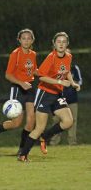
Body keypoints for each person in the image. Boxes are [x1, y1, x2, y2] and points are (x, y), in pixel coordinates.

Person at [18, 32, 80, 162]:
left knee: (68, 121)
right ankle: (23, 154)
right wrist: (60, 82)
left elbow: (66, 70)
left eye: (64, 41)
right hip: (45, 94)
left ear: (67, 44)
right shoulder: (51, 58)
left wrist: (73, 83)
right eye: (59, 42)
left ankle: (44, 137)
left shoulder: (68, 56)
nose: (61, 44)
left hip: (57, 94)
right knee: (39, 127)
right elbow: (42, 76)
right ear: (54, 44)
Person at [0, 28, 38, 154]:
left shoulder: (33, 54)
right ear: (19, 40)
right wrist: (21, 83)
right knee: (16, 123)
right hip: (18, 88)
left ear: (32, 40)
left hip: (29, 88)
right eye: (24, 38)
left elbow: (33, 70)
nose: (26, 40)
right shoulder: (15, 54)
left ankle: (23, 150)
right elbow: (8, 75)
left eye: (29, 38)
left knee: (31, 121)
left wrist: (47, 74)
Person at [50, 48, 83, 146]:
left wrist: (72, 83)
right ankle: (53, 141)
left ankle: (72, 142)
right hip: (58, 98)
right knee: (56, 120)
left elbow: (79, 81)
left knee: (73, 120)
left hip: (72, 99)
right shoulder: (54, 67)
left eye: (69, 54)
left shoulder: (74, 68)